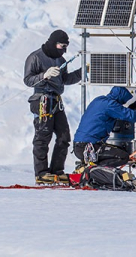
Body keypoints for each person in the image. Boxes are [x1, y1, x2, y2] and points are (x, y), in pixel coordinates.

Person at [23, 29, 81, 184]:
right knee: (43, 137)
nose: (64, 49)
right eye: (62, 46)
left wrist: (83, 72)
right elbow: (28, 80)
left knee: (64, 136)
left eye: (66, 47)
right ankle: (41, 173)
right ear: (54, 43)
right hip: (41, 99)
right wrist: (44, 75)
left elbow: (65, 79)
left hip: (56, 100)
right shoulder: (35, 57)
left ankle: (57, 171)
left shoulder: (61, 60)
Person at [72, 87, 136, 169]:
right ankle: (95, 171)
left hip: (79, 146)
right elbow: (132, 116)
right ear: (120, 98)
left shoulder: (99, 100)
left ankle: (90, 169)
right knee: (123, 156)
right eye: (123, 102)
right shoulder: (110, 105)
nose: (122, 104)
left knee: (117, 151)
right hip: (89, 147)